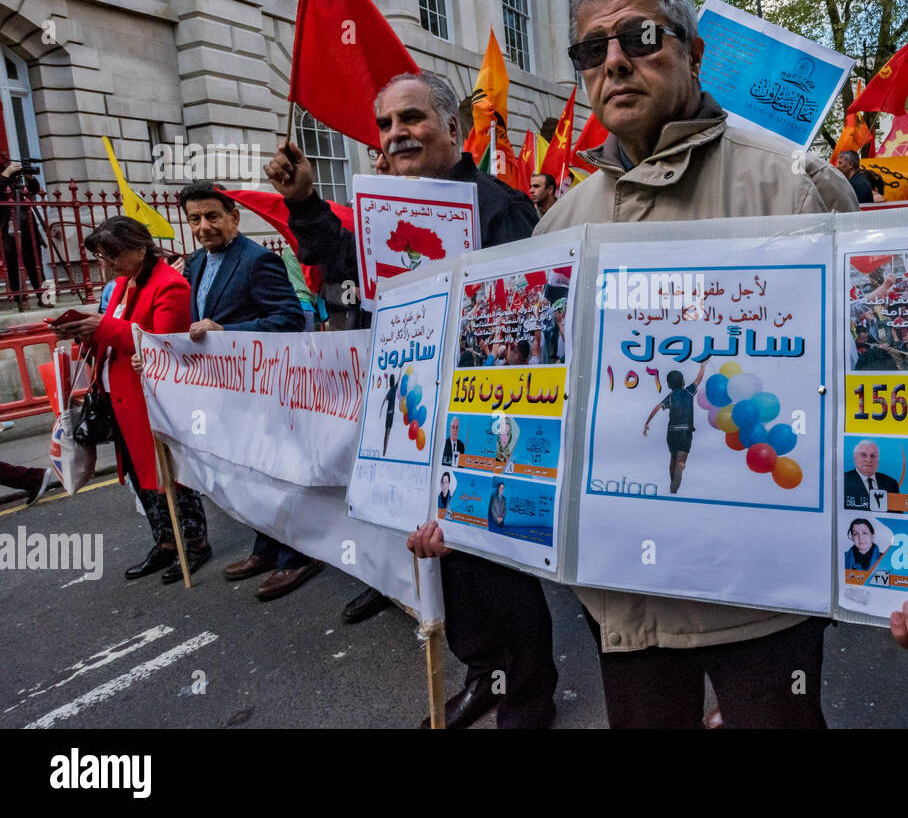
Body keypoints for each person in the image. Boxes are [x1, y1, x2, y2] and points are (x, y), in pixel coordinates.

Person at [444, 0, 908, 729]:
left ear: (695, 53)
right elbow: (535, 411)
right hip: (625, 598)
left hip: (764, 605)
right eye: (591, 51)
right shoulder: (559, 229)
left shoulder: (795, 189)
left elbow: (883, 398)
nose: (614, 62)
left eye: (638, 36)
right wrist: (454, 505)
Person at [267, 70, 555, 727]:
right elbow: (338, 267)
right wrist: (307, 201)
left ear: (453, 129)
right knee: (439, 564)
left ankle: (530, 697)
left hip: (488, 423)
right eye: (387, 125)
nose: (397, 134)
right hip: (413, 416)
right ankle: (486, 673)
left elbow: (532, 322)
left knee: (497, 567)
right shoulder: (384, 210)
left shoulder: (502, 207)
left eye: (412, 118)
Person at [176, 181, 320, 601]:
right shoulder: (198, 263)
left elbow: (289, 319)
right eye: (195, 219)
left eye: (212, 216)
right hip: (226, 392)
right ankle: (265, 547)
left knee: (274, 472)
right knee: (245, 474)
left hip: (265, 389)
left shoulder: (259, 261)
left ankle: (297, 556)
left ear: (234, 217)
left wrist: (228, 332)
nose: (203, 227)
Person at [52, 217, 210, 582]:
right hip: (121, 399)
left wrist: (100, 326)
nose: (105, 264)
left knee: (171, 475)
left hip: (152, 401)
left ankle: (194, 542)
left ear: (140, 248)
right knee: (142, 477)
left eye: (111, 255)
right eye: (101, 256)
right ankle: (166, 542)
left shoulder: (170, 285)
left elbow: (162, 342)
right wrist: (84, 332)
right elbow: (115, 335)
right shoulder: (124, 284)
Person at [642, 362, 707, 494]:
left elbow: (657, 407)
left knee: (673, 458)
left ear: (669, 385)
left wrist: (647, 423)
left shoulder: (671, 396)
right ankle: (675, 486)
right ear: (683, 382)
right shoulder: (689, 391)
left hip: (671, 433)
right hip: (684, 432)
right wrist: (703, 365)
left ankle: (672, 490)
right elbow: (699, 378)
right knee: (680, 462)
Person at [1, 160, 48, 310]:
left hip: (29, 230)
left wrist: (30, 178)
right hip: (9, 233)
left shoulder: (20, 187)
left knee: (37, 265)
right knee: (14, 267)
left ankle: (45, 298)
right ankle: (21, 300)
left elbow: (34, 190)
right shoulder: (4, 185)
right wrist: (5, 175)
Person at [844, 439, 900, 508]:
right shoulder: (843, 480)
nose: (869, 460)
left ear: (878, 459)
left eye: (873, 456)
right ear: (855, 457)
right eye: (863, 455)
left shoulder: (891, 483)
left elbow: (897, 514)